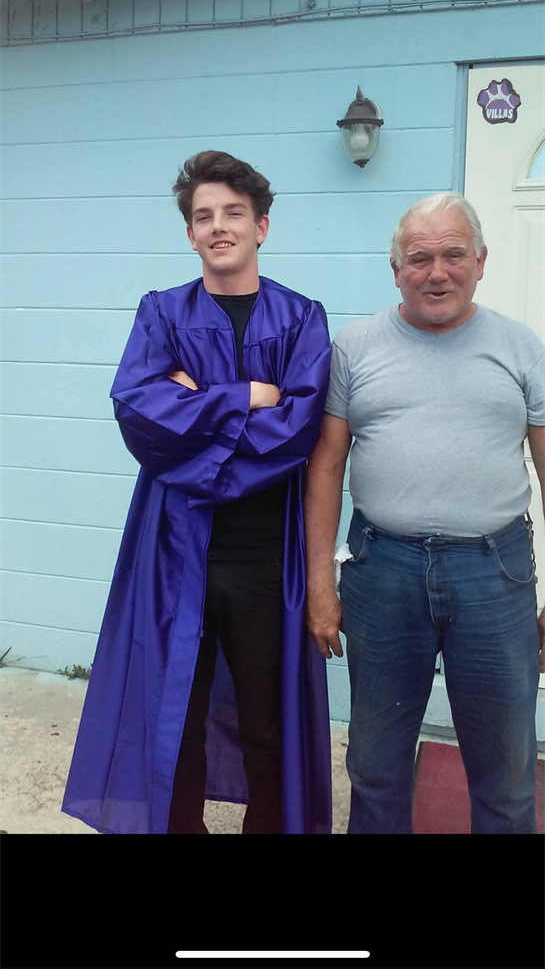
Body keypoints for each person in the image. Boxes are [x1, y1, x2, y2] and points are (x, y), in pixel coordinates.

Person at [62, 151, 332, 834]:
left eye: (233, 213)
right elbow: (141, 418)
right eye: (204, 216)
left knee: (266, 723)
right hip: (175, 550)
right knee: (172, 717)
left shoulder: (301, 319)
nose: (219, 226)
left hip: (265, 557)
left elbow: (296, 433)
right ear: (189, 233)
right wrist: (244, 397)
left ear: (261, 226)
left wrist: (197, 410)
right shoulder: (162, 313)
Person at [305, 192, 545, 835]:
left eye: (453, 255)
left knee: (507, 775)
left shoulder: (523, 349)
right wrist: (320, 584)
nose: (436, 273)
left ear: (482, 262)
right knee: (376, 767)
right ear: (396, 270)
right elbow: (326, 467)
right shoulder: (354, 348)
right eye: (419, 259)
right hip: (381, 570)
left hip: (493, 574)